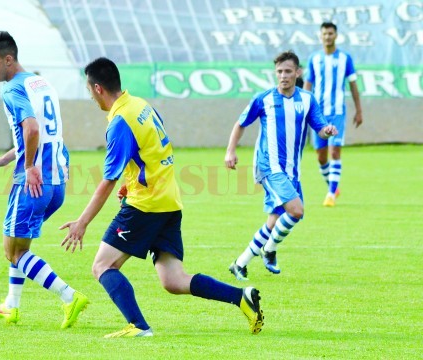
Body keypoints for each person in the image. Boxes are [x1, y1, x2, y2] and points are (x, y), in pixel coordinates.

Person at [60, 57, 264, 338]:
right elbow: (153, 150)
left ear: (97, 88)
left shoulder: (120, 122)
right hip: (168, 201)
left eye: (88, 90)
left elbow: (108, 180)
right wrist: (132, 182)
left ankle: (138, 326)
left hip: (146, 206)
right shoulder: (141, 105)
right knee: (173, 280)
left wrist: (82, 221)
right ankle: (242, 297)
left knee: (102, 265)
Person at [0, 31, 88, 328]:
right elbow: (46, 132)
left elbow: (31, 129)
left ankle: (69, 297)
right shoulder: (40, 83)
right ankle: (11, 305)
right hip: (56, 183)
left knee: (12, 250)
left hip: (33, 183)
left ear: (8, 59)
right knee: (21, 247)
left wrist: (27, 166)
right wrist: (6, 159)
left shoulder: (12, 90)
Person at [226, 51, 337, 281]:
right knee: (296, 211)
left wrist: (326, 132)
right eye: (279, 72)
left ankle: (240, 263)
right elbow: (240, 123)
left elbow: (320, 128)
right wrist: (231, 151)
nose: (283, 76)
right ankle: (269, 249)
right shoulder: (263, 98)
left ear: (298, 73)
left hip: (291, 170)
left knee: (275, 221)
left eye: (288, 71)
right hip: (268, 166)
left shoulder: (307, 99)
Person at [304, 22, 363, 207]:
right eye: (325, 34)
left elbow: (353, 84)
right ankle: (333, 186)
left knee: (334, 151)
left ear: (336, 35)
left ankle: (330, 194)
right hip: (318, 115)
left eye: (331, 33)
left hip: (337, 112)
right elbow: (308, 84)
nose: (328, 36)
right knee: (321, 157)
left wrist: (359, 110)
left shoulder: (345, 58)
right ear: (320, 36)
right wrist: (304, 107)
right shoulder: (314, 58)